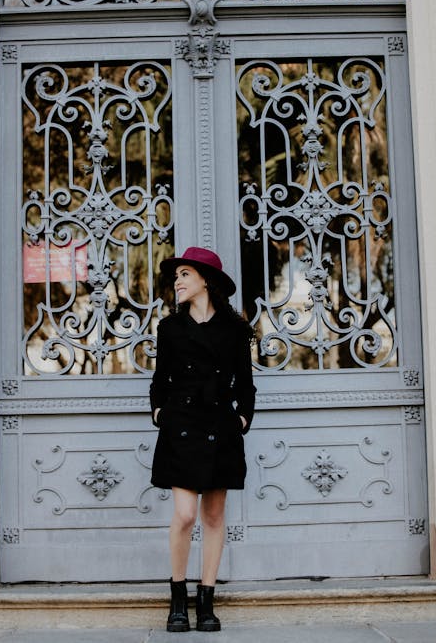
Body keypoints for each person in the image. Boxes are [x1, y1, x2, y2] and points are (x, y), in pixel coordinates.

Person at [149, 246, 256, 633]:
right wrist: (160, 410)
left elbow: (245, 384)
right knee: (184, 514)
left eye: (185, 275)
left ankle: (205, 602)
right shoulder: (170, 329)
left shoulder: (235, 331)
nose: (177, 281)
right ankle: (178, 597)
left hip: (220, 427)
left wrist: (242, 418)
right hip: (182, 425)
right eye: (176, 276)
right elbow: (159, 381)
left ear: (205, 281)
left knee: (213, 516)